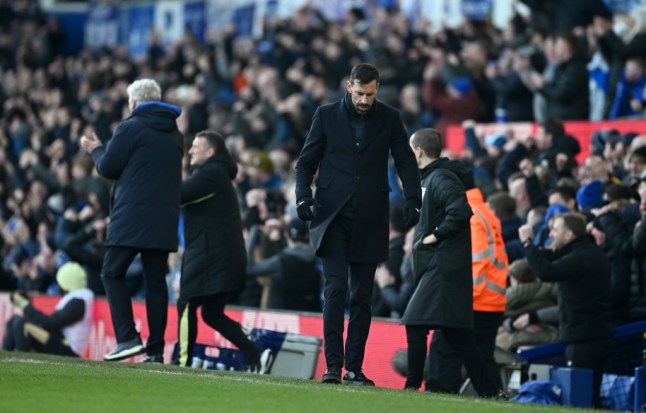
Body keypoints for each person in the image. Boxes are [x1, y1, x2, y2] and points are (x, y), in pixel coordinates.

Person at [294, 63, 422, 385]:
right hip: (331, 216)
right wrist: (302, 197)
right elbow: (306, 161)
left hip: (370, 216)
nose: (366, 100)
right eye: (361, 93)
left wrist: (413, 199)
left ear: (377, 89)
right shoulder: (325, 115)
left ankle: (354, 368)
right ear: (349, 86)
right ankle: (333, 367)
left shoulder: (390, 117)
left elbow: (405, 159)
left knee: (362, 295)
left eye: (371, 94)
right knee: (336, 289)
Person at [80, 78, 183, 362]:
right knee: (155, 283)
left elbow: (108, 167)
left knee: (111, 272)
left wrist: (96, 149)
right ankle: (156, 351)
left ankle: (127, 338)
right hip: (164, 218)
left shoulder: (129, 127)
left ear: (133, 103)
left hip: (132, 216)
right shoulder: (175, 133)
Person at [401, 128, 501, 398]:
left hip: (442, 268)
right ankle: (492, 391)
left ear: (418, 151)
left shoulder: (440, 177)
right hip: (441, 267)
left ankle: (411, 387)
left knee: (415, 322)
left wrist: (435, 235)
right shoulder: (433, 178)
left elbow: (460, 210)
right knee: (459, 337)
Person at [177, 130, 273, 373]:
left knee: (187, 302)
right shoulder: (216, 173)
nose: (190, 151)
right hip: (222, 255)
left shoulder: (211, 173)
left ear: (210, 152)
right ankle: (255, 354)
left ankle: (182, 364)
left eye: (195, 147)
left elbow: (178, 195)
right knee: (211, 313)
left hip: (212, 255)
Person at [518, 212, 613, 408]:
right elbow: (548, 258)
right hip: (592, 336)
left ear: (569, 235)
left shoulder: (580, 258)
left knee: (582, 401)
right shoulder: (586, 252)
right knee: (589, 398)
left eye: (555, 230)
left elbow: (546, 271)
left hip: (584, 340)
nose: (551, 234)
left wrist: (527, 243)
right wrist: (533, 249)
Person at [426, 170, 509, 395]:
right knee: (481, 357)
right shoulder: (484, 212)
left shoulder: (468, 216)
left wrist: (458, 298)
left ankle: (438, 397)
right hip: (492, 300)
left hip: (474, 298)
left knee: (444, 348)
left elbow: (477, 262)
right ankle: (494, 397)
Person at [3, 262, 94, 357]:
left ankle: (23, 365)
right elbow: (50, 323)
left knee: (22, 324)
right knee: (14, 320)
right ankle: (3, 360)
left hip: (69, 350)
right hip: (59, 341)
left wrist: (26, 306)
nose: (59, 287)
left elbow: (50, 323)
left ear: (67, 283)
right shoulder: (77, 299)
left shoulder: (79, 302)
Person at [246, 217, 322, 312]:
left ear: (286, 235)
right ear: (307, 236)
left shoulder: (281, 262)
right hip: (309, 318)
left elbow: (249, 268)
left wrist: (253, 233)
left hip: (281, 319)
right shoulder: (318, 259)